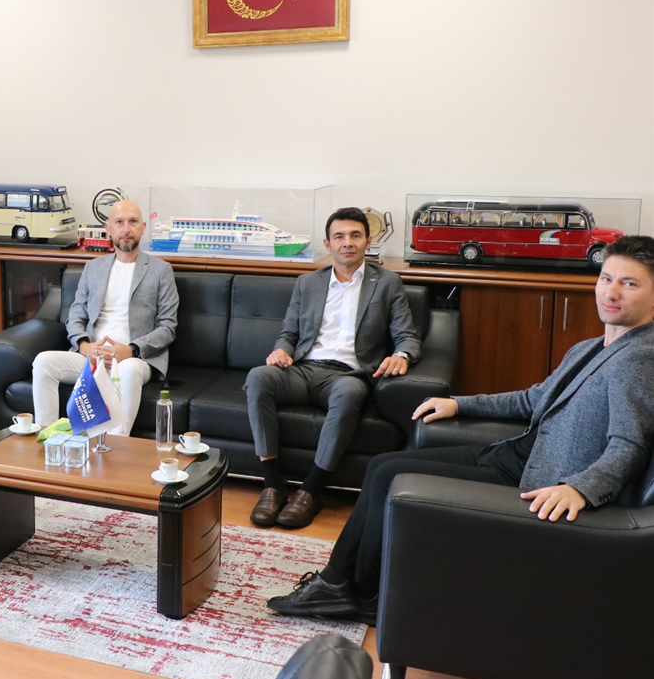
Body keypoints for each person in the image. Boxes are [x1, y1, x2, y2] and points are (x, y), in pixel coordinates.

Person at [267, 234, 654, 624]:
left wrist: (580, 489)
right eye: (606, 279)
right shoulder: (591, 348)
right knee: (381, 465)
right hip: (516, 454)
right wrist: (460, 403)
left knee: (387, 474)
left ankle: (344, 588)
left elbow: (630, 445)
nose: (611, 292)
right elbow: (533, 399)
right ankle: (351, 590)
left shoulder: (638, 359)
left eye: (629, 283)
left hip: (534, 481)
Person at [246, 207, 421, 529]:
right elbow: (288, 334)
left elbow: (407, 336)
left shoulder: (387, 283)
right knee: (259, 377)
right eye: (339, 237)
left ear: (368, 241)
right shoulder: (308, 282)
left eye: (355, 235)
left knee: (349, 392)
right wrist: (281, 350)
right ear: (328, 244)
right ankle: (272, 484)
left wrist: (402, 356)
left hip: (348, 374)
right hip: (303, 369)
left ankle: (311, 490)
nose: (347, 243)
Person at [32, 200, 178, 434]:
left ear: (143, 227)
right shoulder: (93, 268)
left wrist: (131, 350)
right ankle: (48, 438)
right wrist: (84, 346)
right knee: (43, 362)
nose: (126, 229)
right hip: (93, 356)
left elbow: (167, 327)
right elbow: (76, 314)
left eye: (133, 222)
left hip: (135, 359)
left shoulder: (161, 270)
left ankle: (117, 446)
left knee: (129, 370)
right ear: (108, 229)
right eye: (119, 222)